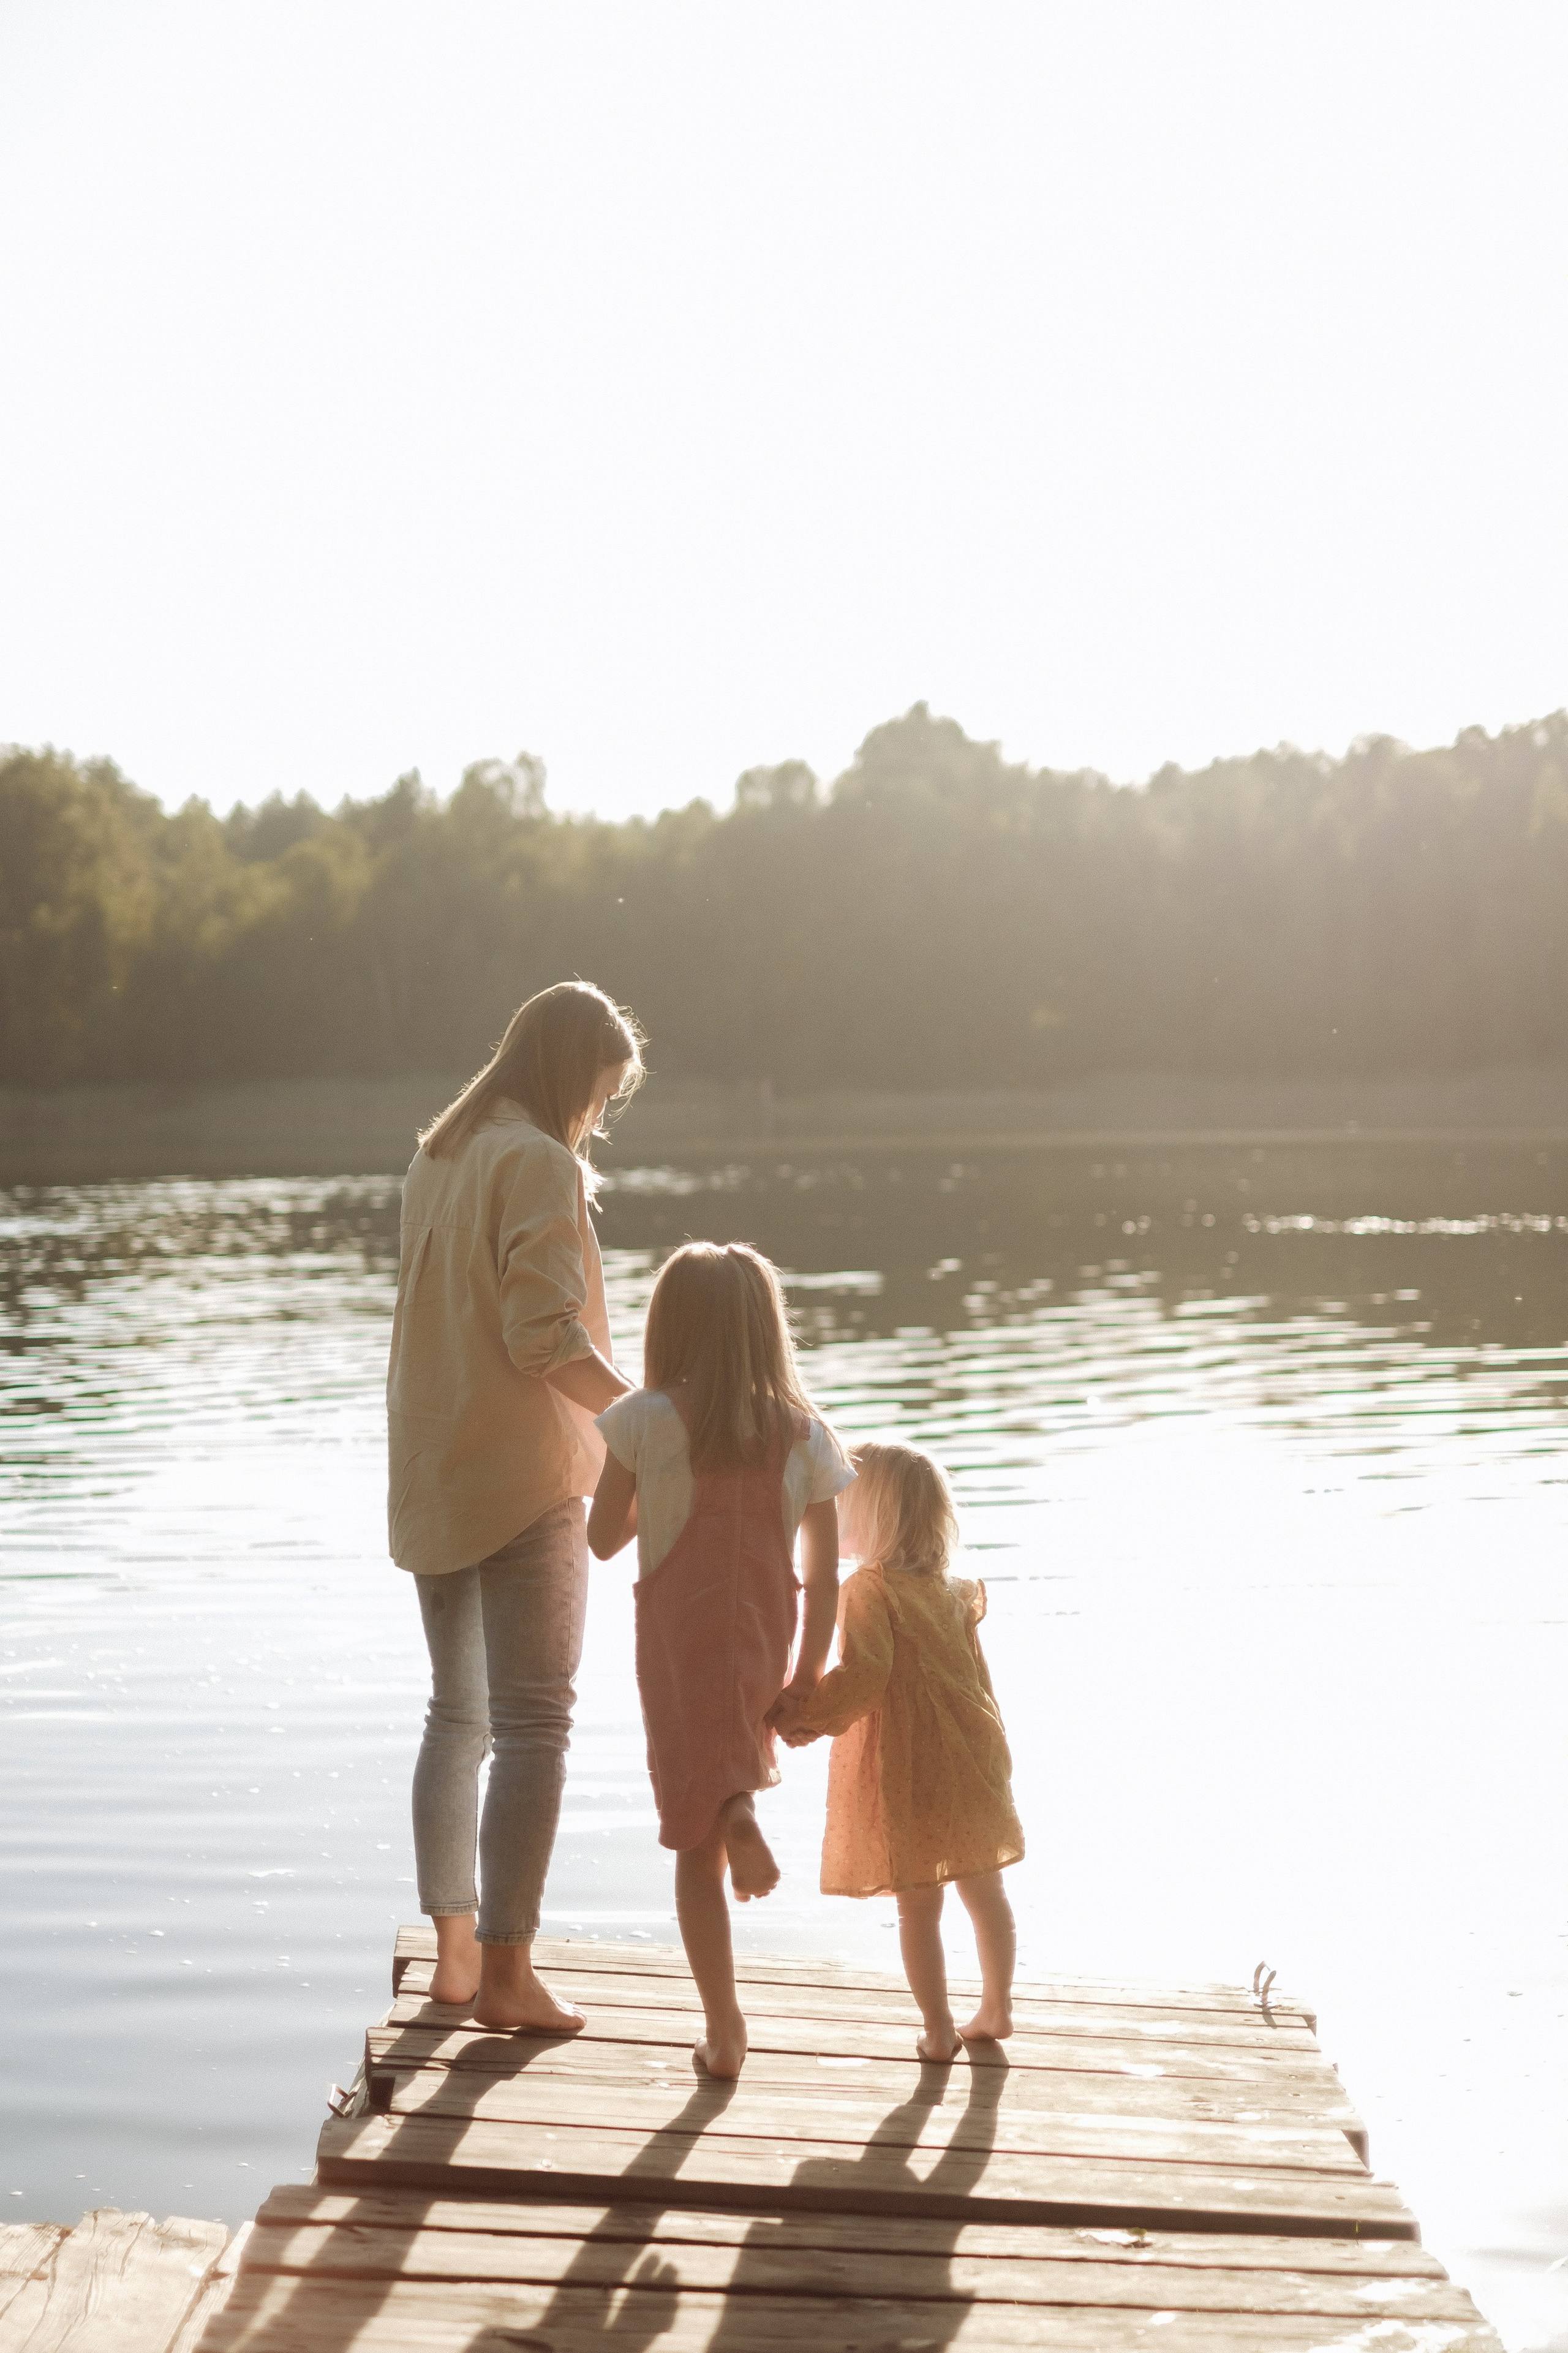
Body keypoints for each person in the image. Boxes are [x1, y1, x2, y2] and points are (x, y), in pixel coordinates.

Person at [387, 980, 643, 2033]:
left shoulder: (439, 1152)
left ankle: (457, 1960)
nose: (598, 1113)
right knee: (536, 1727)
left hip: (436, 1465)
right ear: (568, 1067)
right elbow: (544, 1339)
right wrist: (652, 1420)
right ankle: (508, 1975)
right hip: (525, 1475)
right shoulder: (537, 1160)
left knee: (460, 1718)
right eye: (601, 1089)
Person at [587, 1242, 851, 2077]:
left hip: (675, 1634)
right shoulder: (807, 1437)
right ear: (768, 1332)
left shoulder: (644, 1418)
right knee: (729, 1755)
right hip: (764, 1635)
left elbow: (599, 1540)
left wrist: (650, 1499)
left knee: (693, 1840)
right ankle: (739, 1805)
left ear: (669, 1329)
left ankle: (725, 2028)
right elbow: (823, 1575)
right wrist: (807, 1675)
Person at [772, 1441, 1025, 2062]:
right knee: (983, 1888)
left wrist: (807, 1714)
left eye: (843, 1509)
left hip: (911, 1762)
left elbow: (866, 1674)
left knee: (919, 1907)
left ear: (871, 1519)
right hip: (972, 1755)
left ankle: (938, 2030)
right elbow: (979, 1681)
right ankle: (997, 2007)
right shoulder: (955, 1589)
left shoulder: (868, 1588)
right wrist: (997, 1760)